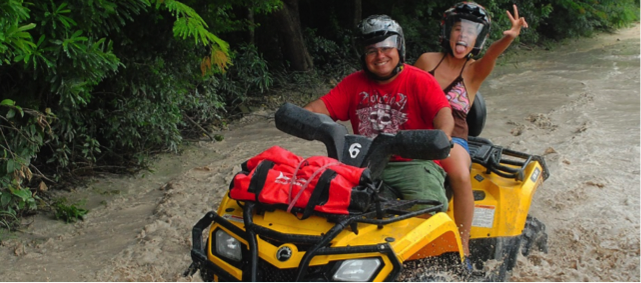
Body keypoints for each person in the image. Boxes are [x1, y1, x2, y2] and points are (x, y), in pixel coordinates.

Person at [304, 15, 455, 214]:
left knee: (429, 209)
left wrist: (443, 135)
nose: (380, 56)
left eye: (386, 48)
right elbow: (317, 109)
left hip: (414, 164)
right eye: (371, 51)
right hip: (366, 166)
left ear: (399, 48)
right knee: (336, 208)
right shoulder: (353, 83)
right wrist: (301, 118)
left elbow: (443, 113)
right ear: (363, 56)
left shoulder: (420, 80)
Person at [414, 2, 529, 263]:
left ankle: (462, 246)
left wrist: (507, 38)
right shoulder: (426, 60)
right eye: (458, 28)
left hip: (454, 138)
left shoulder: (475, 70)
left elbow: (492, 56)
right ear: (447, 32)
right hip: (418, 134)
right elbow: (404, 91)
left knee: (458, 172)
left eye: (471, 31)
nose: (463, 35)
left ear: (478, 38)